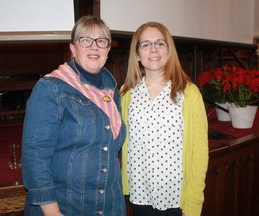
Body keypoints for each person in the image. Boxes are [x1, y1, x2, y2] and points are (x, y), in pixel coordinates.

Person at [22, 16, 126, 216]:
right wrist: (51, 212)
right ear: (73, 48)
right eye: (85, 40)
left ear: (108, 50)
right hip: (65, 207)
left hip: (109, 205)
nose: (94, 46)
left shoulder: (112, 92)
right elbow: (35, 154)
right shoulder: (50, 88)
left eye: (101, 41)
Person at [120, 22, 209, 216]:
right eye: (145, 44)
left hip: (178, 199)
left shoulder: (189, 93)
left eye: (160, 43)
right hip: (140, 195)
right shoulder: (127, 94)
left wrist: (193, 203)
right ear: (137, 54)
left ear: (169, 50)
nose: (153, 49)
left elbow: (200, 152)